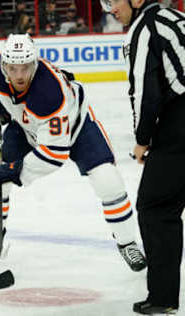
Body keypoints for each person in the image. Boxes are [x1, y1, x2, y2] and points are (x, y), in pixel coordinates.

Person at [0, 34, 147, 277]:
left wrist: (16, 170)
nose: (19, 75)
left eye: (26, 68)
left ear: (35, 64)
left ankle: (127, 243)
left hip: (76, 127)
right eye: (13, 68)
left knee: (109, 181)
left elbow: (54, 155)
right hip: (26, 127)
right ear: (3, 66)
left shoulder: (49, 94)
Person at [102, 0, 185, 314]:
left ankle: (163, 299)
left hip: (180, 122)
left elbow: (144, 89)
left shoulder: (144, 28)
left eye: (114, 1)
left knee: (156, 208)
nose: (110, 8)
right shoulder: (175, 16)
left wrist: (142, 139)